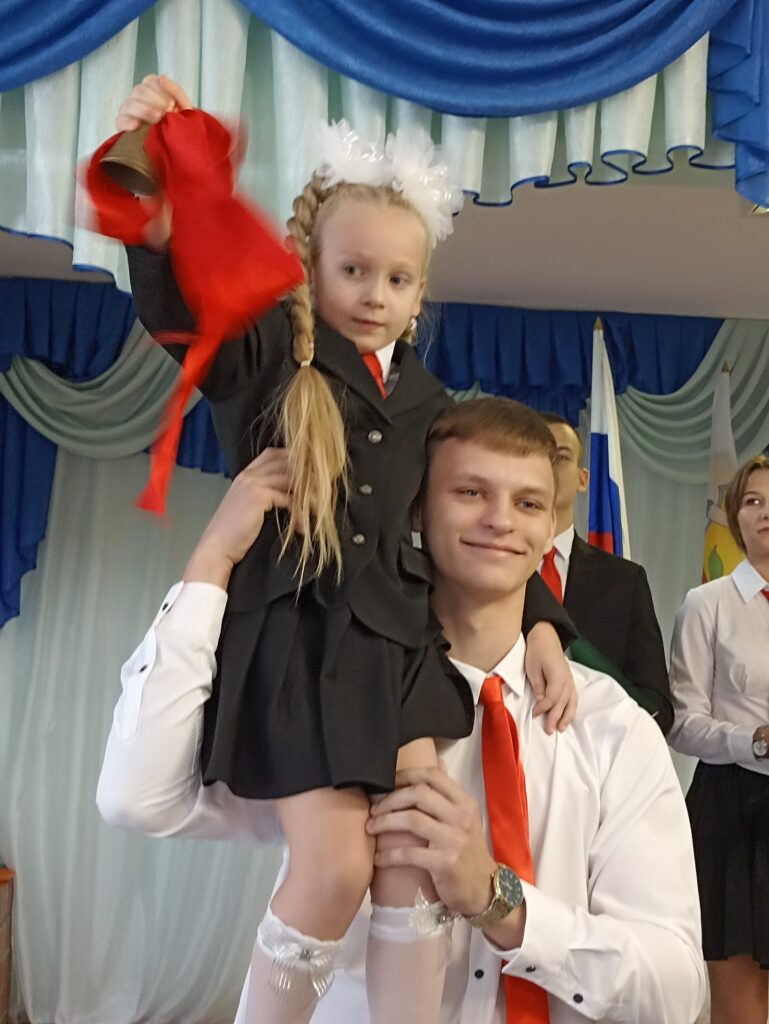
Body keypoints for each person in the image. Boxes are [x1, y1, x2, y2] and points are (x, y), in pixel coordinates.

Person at [108, 78, 578, 1024]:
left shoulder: (432, 405)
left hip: (393, 656)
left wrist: (540, 624)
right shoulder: (270, 362)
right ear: (310, 267)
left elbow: (471, 529)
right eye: (354, 270)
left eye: (397, 280)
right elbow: (181, 309)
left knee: (411, 863)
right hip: (296, 651)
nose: (374, 295)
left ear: (420, 293)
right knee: (332, 867)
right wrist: (151, 206)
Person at [98, 397, 705, 1024]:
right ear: (415, 507)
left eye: (528, 503)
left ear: (550, 522)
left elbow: (677, 990)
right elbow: (137, 798)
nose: (501, 520)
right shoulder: (328, 697)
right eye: (470, 492)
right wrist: (211, 564)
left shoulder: (612, 728)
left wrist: (499, 901)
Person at [668, 453, 769, 1024]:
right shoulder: (705, 604)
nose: (766, 512)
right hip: (732, 808)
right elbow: (682, 722)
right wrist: (755, 739)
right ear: (735, 517)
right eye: (753, 501)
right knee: (740, 1001)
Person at [538, 412, 673, 732]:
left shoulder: (624, 582)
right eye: (536, 455)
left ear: (583, 479)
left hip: (597, 749)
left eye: (560, 456)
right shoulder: (487, 570)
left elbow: (657, 707)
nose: (548, 466)